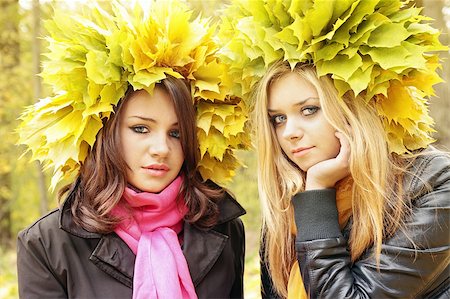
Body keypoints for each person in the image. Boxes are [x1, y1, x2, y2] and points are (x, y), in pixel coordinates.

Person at [217, 0, 449, 298]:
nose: (290, 133)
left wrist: (317, 195)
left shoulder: (430, 184)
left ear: (353, 108)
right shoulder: (287, 206)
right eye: (278, 118)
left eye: (310, 110)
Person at [16, 1, 248, 298]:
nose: (162, 148)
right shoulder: (47, 244)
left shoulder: (224, 229)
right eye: (141, 129)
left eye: (176, 133)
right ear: (104, 134)